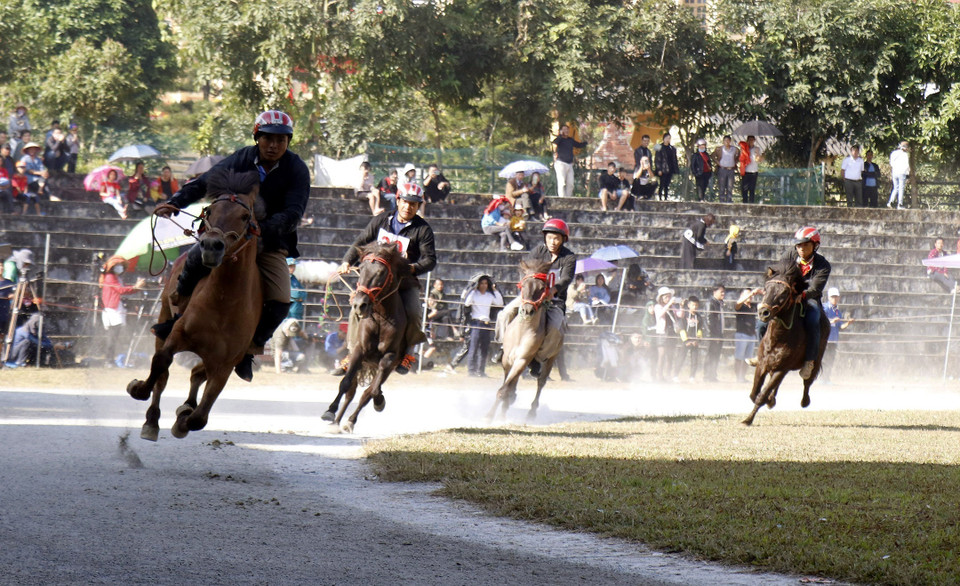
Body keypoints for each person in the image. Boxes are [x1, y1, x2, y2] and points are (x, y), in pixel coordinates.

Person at [153, 109, 311, 382]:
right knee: (192, 259)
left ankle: (250, 348)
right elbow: (204, 183)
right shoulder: (241, 158)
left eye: (281, 140)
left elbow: (294, 212)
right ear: (256, 137)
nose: (274, 145)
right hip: (229, 234)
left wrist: (264, 229)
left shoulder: (297, 169)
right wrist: (176, 202)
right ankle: (177, 316)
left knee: (282, 300)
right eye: (267, 139)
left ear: (288, 141)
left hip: (270, 242)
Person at [336, 180, 436, 375]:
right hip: (375, 282)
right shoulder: (381, 220)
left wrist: (412, 268)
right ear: (398, 200)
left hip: (404, 282)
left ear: (418, 206)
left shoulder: (423, 230)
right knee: (357, 307)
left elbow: (430, 260)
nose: (408, 207)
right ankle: (351, 352)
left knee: (414, 312)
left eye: (413, 204)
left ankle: (408, 354)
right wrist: (347, 261)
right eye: (405, 202)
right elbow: (361, 242)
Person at [493, 218, 576, 375]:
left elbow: (566, 278)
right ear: (545, 237)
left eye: (557, 238)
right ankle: (503, 347)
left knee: (554, 328)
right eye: (550, 237)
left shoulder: (569, 257)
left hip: (554, 300)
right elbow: (526, 270)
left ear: (563, 239)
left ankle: (538, 358)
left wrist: (554, 290)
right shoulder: (537, 251)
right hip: (532, 297)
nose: (552, 241)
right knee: (505, 313)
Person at [750, 227, 831, 380]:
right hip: (786, 295)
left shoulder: (823, 265)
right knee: (762, 323)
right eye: (799, 245)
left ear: (815, 246)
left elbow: (815, 288)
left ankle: (809, 361)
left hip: (809, 298)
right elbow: (778, 274)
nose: (801, 249)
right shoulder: (789, 255)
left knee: (813, 319)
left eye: (805, 245)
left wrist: (803, 295)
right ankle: (762, 355)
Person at [99, 256, 146, 366]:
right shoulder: (110, 277)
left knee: (114, 335)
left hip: (115, 308)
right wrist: (136, 287)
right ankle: (109, 360)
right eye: (117, 266)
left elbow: (123, 289)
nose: (120, 268)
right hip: (112, 310)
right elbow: (120, 290)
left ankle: (110, 358)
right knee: (112, 335)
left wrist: (136, 287)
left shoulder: (116, 277)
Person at [463, 275, 503, 377]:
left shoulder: (490, 295)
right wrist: (473, 290)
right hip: (476, 323)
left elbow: (499, 303)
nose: (484, 286)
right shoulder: (474, 294)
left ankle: (481, 371)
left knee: (484, 349)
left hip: (486, 323)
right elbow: (467, 303)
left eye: (485, 283)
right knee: (474, 347)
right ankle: (471, 371)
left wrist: (495, 290)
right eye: (482, 283)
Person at [821, 287, 853, 384]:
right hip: (825, 340)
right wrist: (831, 321)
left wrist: (848, 323)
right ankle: (822, 379)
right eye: (833, 297)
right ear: (829, 297)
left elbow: (840, 327)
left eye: (836, 297)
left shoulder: (837, 312)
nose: (835, 299)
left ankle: (827, 379)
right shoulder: (824, 308)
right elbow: (821, 322)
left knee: (830, 360)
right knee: (824, 360)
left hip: (834, 340)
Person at [653, 287, 682, 382]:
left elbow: (680, 315)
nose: (668, 299)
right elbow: (660, 313)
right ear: (661, 298)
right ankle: (659, 376)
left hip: (671, 332)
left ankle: (668, 375)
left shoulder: (672, 307)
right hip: (662, 333)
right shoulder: (658, 306)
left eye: (669, 297)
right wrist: (669, 304)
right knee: (661, 355)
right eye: (666, 297)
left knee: (670, 355)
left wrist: (681, 306)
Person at [734, 288, 762, 383]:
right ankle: (738, 377)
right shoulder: (740, 306)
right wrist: (751, 293)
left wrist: (762, 293)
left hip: (751, 335)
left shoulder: (753, 306)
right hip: (742, 334)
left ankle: (743, 376)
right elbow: (738, 303)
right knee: (739, 357)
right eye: (747, 294)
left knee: (748, 358)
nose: (750, 296)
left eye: (751, 294)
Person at [552, 123, 587, 198]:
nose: (566, 131)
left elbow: (578, 145)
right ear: (561, 131)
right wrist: (561, 135)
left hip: (569, 164)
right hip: (561, 163)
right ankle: (562, 198)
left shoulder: (570, 140)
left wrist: (586, 142)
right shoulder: (559, 139)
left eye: (567, 130)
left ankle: (568, 198)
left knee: (570, 183)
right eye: (564, 130)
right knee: (562, 183)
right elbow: (555, 142)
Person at [674, 296, 703, 381]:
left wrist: (697, 340)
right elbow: (681, 328)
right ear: (689, 305)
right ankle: (675, 375)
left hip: (694, 341)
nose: (695, 307)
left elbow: (700, 330)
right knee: (681, 358)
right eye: (693, 305)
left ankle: (692, 377)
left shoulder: (699, 317)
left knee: (694, 360)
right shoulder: (684, 315)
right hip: (685, 340)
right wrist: (686, 340)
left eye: (697, 305)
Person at [702, 284, 726, 382]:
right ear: (714, 292)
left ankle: (713, 375)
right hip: (712, 335)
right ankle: (707, 376)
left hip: (719, 333)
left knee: (716, 355)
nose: (723, 294)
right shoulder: (710, 303)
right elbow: (709, 321)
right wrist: (713, 336)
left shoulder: (719, 303)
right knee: (710, 355)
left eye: (724, 292)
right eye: (721, 292)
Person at [18, 143, 45, 215]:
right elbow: (28, 170)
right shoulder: (25, 159)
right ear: (27, 150)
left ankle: (41, 189)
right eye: (31, 149)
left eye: (34, 149)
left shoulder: (38, 159)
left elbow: (42, 169)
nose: (32, 151)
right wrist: (39, 173)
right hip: (29, 178)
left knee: (44, 181)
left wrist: (43, 173)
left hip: (39, 178)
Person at [712, 135, 739, 203]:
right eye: (725, 141)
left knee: (730, 186)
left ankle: (729, 200)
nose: (727, 142)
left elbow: (739, 156)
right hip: (722, 169)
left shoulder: (734, 149)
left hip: (731, 169)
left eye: (728, 141)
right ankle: (722, 200)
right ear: (723, 141)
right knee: (722, 185)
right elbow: (712, 156)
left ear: (730, 141)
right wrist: (718, 163)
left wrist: (735, 162)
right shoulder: (719, 149)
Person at [654, 133, 680, 201]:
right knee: (662, 183)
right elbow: (657, 159)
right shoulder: (659, 147)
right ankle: (660, 197)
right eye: (667, 138)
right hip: (663, 169)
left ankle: (666, 197)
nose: (668, 140)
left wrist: (676, 169)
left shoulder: (672, 148)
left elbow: (674, 159)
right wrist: (659, 169)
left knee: (667, 184)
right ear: (664, 139)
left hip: (670, 169)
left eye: (669, 138)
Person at [738, 135, 761, 203]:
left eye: (752, 140)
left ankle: (751, 203)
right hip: (745, 171)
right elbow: (740, 158)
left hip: (754, 170)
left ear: (754, 141)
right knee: (744, 188)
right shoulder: (744, 148)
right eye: (749, 140)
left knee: (752, 188)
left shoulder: (757, 149)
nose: (751, 142)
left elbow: (759, 160)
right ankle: (744, 202)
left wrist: (757, 154)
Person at [888, 141, 909, 209]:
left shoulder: (893, 153)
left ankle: (891, 201)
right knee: (901, 188)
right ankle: (900, 204)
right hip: (902, 172)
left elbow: (891, 163)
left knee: (895, 188)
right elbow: (906, 165)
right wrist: (907, 173)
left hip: (894, 172)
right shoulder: (904, 154)